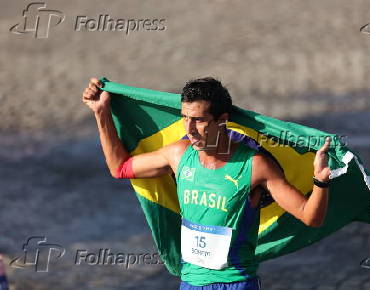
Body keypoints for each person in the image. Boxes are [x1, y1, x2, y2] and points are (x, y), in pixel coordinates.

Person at [82, 77, 331, 290]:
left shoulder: (255, 166)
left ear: (221, 120)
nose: (189, 128)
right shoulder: (179, 155)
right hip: (191, 283)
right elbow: (120, 168)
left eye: (199, 120)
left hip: (236, 283)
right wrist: (101, 113)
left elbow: (310, 216)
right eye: (184, 118)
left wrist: (320, 182)